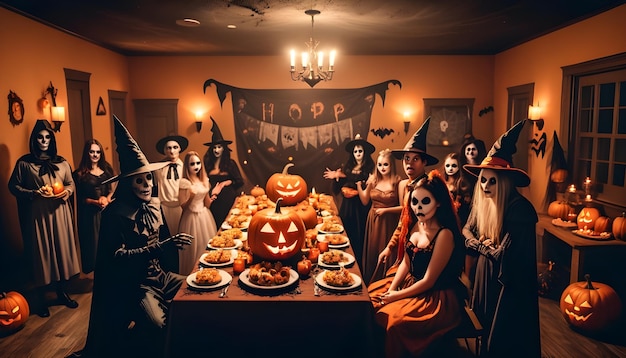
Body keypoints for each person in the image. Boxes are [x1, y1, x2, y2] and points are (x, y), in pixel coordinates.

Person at [71, 116, 192, 358]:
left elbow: (165, 245)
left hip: (163, 277)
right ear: (128, 184)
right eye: (140, 180)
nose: (147, 185)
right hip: (137, 286)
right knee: (158, 324)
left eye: (149, 178)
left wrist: (169, 247)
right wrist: (160, 247)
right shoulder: (114, 214)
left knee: (195, 293)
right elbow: (116, 256)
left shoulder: (155, 205)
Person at [463, 120, 540, 357]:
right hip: (486, 274)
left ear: (504, 182)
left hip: (509, 284)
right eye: (483, 180)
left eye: (492, 180)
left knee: (504, 335)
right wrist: (481, 245)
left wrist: (486, 248)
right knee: (484, 327)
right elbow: (466, 231)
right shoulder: (483, 204)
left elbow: (507, 256)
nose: (485, 185)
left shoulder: (520, 210)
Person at [368, 170, 465, 358]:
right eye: (414, 202)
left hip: (434, 297)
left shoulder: (444, 234)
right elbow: (406, 261)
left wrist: (395, 297)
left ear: (438, 202)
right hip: (410, 284)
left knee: (393, 322)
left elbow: (429, 280)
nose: (418, 207)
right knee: (371, 300)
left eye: (425, 201)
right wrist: (393, 288)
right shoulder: (416, 224)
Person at [8, 119, 81, 317]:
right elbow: (13, 186)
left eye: (47, 137)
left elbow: (70, 184)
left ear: (52, 139)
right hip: (38, 216)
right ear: (34, 139)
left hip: (59, 214)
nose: (44, 141)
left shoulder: (62, 162)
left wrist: (66, 192)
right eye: (40, 137)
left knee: (60, 251)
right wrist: (33, 193)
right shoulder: (24, 164)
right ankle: (41, 299)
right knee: (42, 254)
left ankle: (61, 292)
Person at [377, 118, 439, 272]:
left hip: (426, 252)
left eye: (415, 159)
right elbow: (403, 221)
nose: (409, 163)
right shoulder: (407, 185)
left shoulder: (428, 187)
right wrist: (390, 247)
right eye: (406, 159)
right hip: (409, 247)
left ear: (424, 162)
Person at [323, 134, 375, 266]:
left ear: (365, 152)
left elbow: (366, 185)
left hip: (360, 207)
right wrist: (338, 177)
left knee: (359, 233)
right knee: (346, 229)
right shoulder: (347, 167)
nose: (358, 153)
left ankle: (357, 260)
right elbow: (340, 186)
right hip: (348, 206)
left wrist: (347, 178)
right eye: (355, 151)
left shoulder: (369, 168)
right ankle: (343, 256)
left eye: (360, 151)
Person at [357, 148, 402, 284]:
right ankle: (369, 283)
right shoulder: (374, 180)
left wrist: (386, 211)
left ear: (392, 165)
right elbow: (365, 200)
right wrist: (359, 185)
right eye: (380, 164)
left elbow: (404, 208)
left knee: (386, 253)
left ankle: (383, 283)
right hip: (373, 220)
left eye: (385, 164)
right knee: (372, 252)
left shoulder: (397, 181)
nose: (382, 167)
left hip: (388, 222)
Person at [73, 139, 115, 274]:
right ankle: (95, 277)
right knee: (93, 246)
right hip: (89, 215)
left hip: (107, 212)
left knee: (109, 243)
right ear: (87, 153)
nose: (95, 155)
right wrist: (95, 202)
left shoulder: (107, 170)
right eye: (92, 152)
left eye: (98, 152)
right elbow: (80, 199)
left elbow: (112, 190)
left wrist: (107, 199)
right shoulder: (79, 174)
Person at [177, 151, 219, 275]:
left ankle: (208, 273)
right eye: (192, 164)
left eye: (198, 163)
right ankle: (193, 274)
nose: (196, 166)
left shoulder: (203, 179)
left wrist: (213, 197)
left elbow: (207, 204)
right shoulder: (184, 182)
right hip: (191, 218)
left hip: (204, 216)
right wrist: (191, 196)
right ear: (187, 166)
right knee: (193, 249)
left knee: (205, 245)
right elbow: (183, 207)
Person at [203, 117, 244, 227]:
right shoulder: (208, 164)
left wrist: (228, 182)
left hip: (228, 199)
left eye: (219, 147)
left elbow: (240, 182)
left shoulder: (230, 163)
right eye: (214, 147)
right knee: (214, 225)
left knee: (228, 225)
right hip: (214, 200)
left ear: (224, 148)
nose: (216, 150)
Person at [155, 134, 188, 237]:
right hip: (165, 206)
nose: (172, 151)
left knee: (182, 233)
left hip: (181, 206)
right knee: (168, 235)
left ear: (180, 149)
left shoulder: (185, 167)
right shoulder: (158, 168)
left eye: (175, 147)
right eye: (168, 148)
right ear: (164, 151)